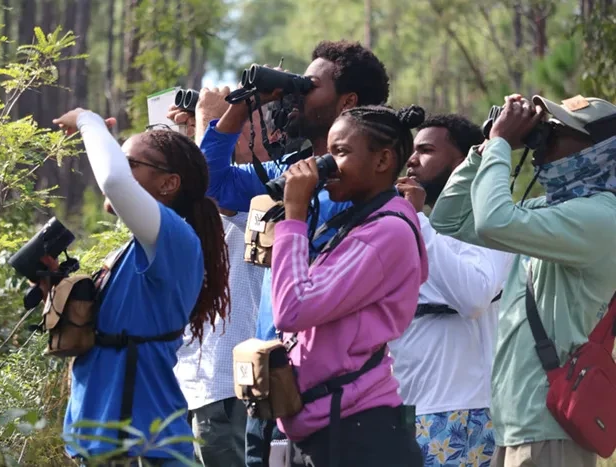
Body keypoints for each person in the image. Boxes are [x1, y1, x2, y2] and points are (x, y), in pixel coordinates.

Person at [197, 40, 390, 467]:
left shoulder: (367, 188)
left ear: (348, 101)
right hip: (269, 381)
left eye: (310, 85)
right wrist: (242, 105)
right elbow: (210, 182)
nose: (297, 93)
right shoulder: (290, 171)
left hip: (332, 391)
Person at [429, 94, 616, 467]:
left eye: (556, 131)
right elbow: (449, 220)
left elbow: (493, 220)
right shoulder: (554, 211)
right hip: (519, 425)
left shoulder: (601, 217)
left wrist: (501, 142)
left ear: (598, 148)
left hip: (551, 427)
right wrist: (485, 150)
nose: (542, 138)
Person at [51, 108, 230, 466]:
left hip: (143, 445)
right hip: (109, 441)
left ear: (168, 183)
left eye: (129, 161)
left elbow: (114, 182)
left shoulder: (175, 238)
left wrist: (89, 120)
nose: (119, 167)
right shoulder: (134, 249)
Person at [271, 104, 428, 467]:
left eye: (340, 152)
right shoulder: (360, 223)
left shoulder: (386, 232)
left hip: (359, 434)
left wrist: (294, 214)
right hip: (333, 428)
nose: (327, 164)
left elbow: (292, 308)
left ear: (383, 160)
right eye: (327, 152)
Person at [391, 114, 513, 467]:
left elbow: (474, 295)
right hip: (403, 409)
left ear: (462, 161)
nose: (411, 160)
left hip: (462, 410)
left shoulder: (489, 223)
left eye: (426, 150)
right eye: (412, 151)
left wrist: (419, 221)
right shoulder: (406, 224)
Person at [169, 92, 275, 467]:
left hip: (228, 384)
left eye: (242, 118)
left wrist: (213, 118)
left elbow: (211, 190)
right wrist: (190, 132)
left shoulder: (260, 198)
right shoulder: (208, 206)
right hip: (192, 383)